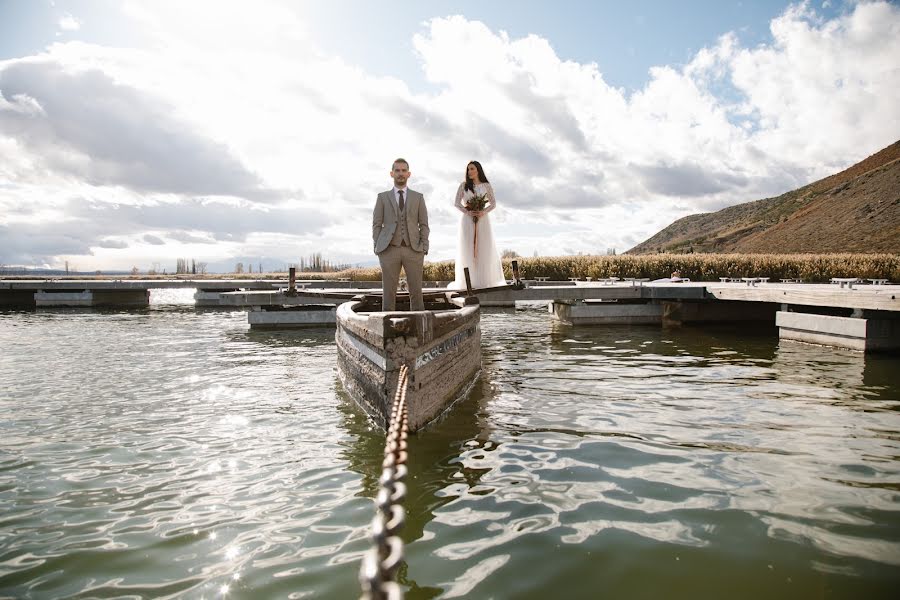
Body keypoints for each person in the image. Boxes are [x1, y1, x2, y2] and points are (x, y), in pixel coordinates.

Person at [372, 158, 430, 311]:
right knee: (388, 293)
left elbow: (424, 224)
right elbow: (377, 224)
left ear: (409, 174)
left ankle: (419, 330)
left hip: (414, 250)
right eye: (397, 170)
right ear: (392, 174)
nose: (400, 173)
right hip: (388, 249)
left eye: (404, 170)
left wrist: (424, 246)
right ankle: (387, 329)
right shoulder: (382, 197)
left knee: (417, 293)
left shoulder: (418, 198)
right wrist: (377, 247)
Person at [449, 161, 506, 290]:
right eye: (468, 169)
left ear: (478, 170)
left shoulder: (486, 185)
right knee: (468, 248)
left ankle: (483, 281)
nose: (469, 171)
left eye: (472, 169)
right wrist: (468, 212)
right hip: (467, 220)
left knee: (483, 248)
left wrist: (483, 212)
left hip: (483, 220)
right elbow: (457, 203)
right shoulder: (463, 186)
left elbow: (493, 203)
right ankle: (469, 281)